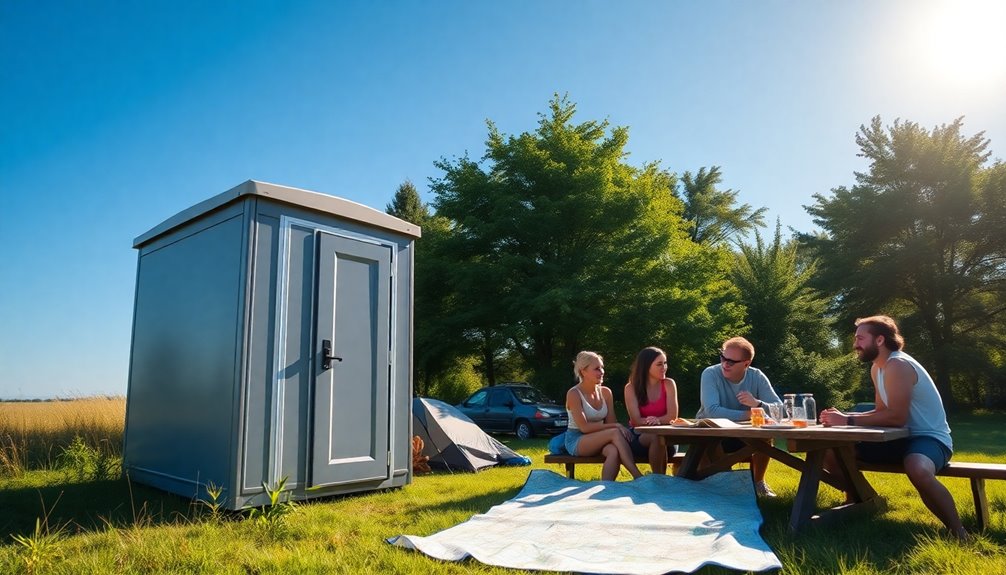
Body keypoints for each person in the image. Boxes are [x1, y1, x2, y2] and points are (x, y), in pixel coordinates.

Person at [819, 315, 968, 540]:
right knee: (831, 452)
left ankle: (959, 533)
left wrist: (847, 421)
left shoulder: (898, 364)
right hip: (898, 439)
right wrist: (843, 416)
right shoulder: (877, 368)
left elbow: (896, 418)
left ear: (879, 340)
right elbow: (881, 412)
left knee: (916, 467)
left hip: (929, 438)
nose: (855, 344)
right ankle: (860, 500)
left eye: (860, 338)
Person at [695, 336, 782, 497]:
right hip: (713, 435)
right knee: (712, 440)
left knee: (766, 436)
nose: (725, 364)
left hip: (746, 435)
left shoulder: (756, 376)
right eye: (723, 357)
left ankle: (758, 483)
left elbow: (781, 411)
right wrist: (749, 414)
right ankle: (730, 487)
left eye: (731, 362)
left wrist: (757, 404)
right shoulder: (710, 374)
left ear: (746, 364)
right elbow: (712, 411)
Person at [565, 351, 644, 481]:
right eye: (596, 369)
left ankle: (607, 487)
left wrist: (614, 426)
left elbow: (610, 422)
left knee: (613, 450)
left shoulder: (606, 392)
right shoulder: (574, 393)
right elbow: (584, 428)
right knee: (614, 433)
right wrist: (616, 426)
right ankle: (638, 476)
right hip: (577, 439)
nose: (601, 372)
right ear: (583, 371)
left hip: (600, 437)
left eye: (602, 367)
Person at [624, 346, 679, 474]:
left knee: (659, 437)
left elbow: (672, 416)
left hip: (668, 437)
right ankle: (658, 480)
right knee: (656, 436)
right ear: (646, 366)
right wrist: (654, 422)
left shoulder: (669, 384)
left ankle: (661, 481)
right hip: (640, 437)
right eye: (659, 364)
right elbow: (636, 420)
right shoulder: (631, 388)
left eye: (665, 363)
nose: (664, 367)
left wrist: (657, 420)